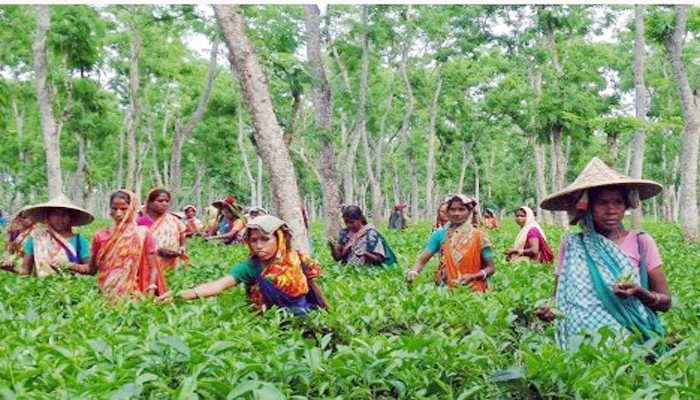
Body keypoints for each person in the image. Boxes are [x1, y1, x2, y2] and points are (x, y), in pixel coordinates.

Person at [535, 157, 670, 349]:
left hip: (631, 347)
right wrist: (549, 311)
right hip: (582, 345)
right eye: (602, 203)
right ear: (587, 207)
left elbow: (665, 302)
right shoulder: (572, 245)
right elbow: (559, 298)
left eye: (618, 202)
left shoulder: (641, 242)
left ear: (626, 205)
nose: (611, 210)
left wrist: (639, 292)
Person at [159, 215, 328, 316]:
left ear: (280, 238)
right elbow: (218, 286)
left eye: (265, 239)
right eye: (253, 240)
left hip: (305, 318)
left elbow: (314, 289)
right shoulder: (251, 267)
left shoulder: (298, 260)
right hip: (269, 324)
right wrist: (180, 295)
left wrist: (329, 313)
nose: (259, 246)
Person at [407, 194, 495, 291]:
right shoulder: (439, 235)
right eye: (453, 209)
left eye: (462, 209)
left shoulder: (480, 236)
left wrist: (473, 276)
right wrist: (413, 271)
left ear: (469, 212)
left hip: (473, 290)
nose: (457, 213)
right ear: (448, 212)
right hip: (444, 288)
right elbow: (422, 260)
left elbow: (491, 268)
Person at [90, 190, 167, 298]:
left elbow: (153, 267)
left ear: (132, 209)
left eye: (123, 209)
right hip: (105, 293)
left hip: (133, 294)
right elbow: (92, 268)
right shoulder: (100, 235)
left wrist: (151, 290)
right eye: (114, 208)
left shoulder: (142, 234)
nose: (118, 213)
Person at [20, 194, 93, 277]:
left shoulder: (79, 240)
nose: (60, 218)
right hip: (41, 287)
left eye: (65, 215)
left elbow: (90, 269)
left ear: (71, 218)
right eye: (56, 214)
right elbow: (25, 269)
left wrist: (71, 266)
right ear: (48, 216)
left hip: (72, 287)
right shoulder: (36, 238)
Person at [329, 205, 397, 267]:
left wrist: (365, 254)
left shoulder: (371, 234)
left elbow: (379, 259)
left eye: (352, 222)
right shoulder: (344, 233)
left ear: (360, 219)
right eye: (346, 222)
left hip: (366, 273)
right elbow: (338, 258)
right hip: (347, 271)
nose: (349, 225)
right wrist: (332, 247)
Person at [139, 189, 187, 271]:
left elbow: (182, 235)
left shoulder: (173, 219)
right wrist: (158, 250)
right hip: (149, 265)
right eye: (160, 201)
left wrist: (181, 248)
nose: (165, 204)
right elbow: (137, 242)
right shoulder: (141, 220)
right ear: (150, 203)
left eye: (167, 201)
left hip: (171, 264)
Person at [1, 207, 37, 273]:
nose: (27, 220)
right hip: (13, 257)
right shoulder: (15, 232)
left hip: (27, 260)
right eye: (24, 217)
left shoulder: (35, 233)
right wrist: (8, 257)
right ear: (20, 218)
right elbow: (9, 250)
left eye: (30, 217)